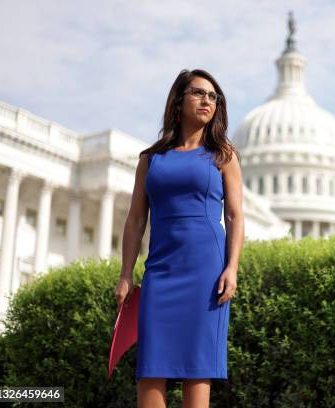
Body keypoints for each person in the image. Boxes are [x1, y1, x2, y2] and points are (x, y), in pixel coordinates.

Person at [114, 68, 244, 408]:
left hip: (206, 271)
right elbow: (136, 220)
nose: (207, 101)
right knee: (151, 366)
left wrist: (232, 267)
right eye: (199, 93)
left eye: (213, 97)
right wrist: (126, 274)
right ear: (179, 100)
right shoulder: (151, 159)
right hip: (161, 270)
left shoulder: (224, 155)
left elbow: (234, 215)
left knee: (197, 366)